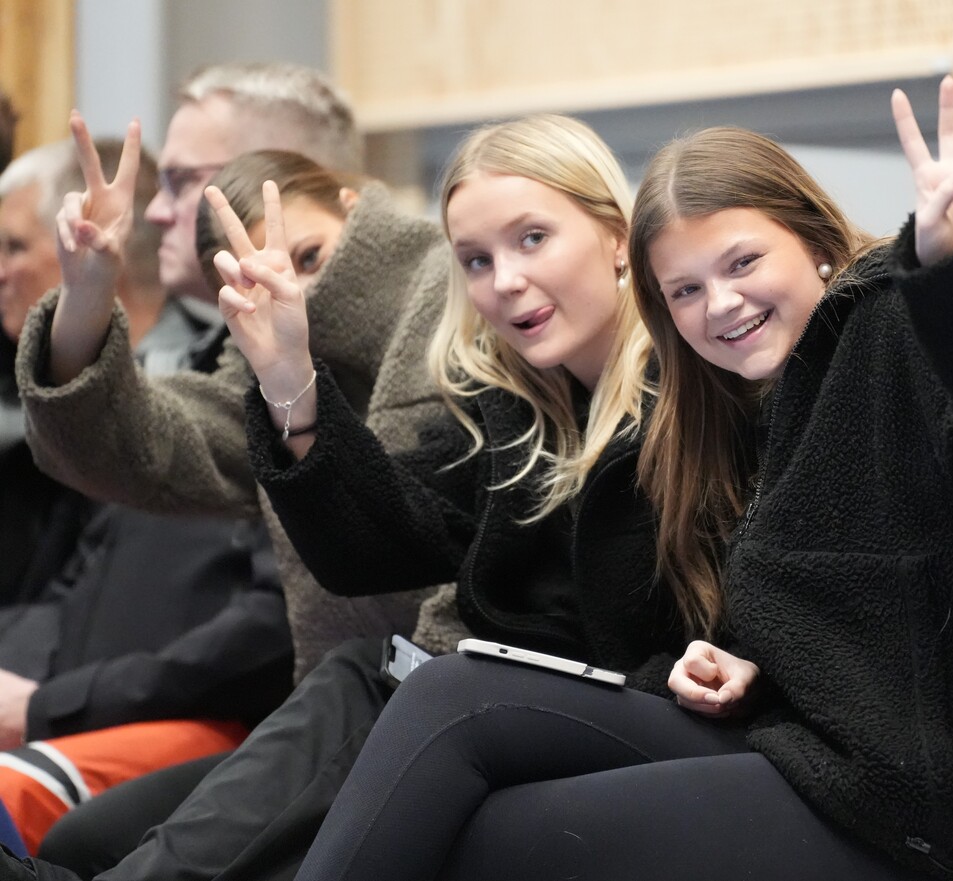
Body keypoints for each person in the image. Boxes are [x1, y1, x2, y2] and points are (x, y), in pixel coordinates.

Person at [281, 77, 953, 881]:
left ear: (814, 241)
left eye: (741, 263)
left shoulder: (897, 324)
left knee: (498, 833)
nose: (720, 304)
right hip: (827, 758)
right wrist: (739, 664)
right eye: (686, 291)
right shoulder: (745, 400)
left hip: (946, 815)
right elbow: (840, 617)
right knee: (454, 695)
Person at [0, 113, 681, 881]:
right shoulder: (516, 399)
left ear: (617, 234)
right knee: (371, 677)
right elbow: (378, 536)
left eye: (533, 239)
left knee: (417, 686)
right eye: (478, 259)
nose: (506, 279)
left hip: (580, 704)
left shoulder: (682, 387)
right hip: (450, 691)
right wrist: (284, 373)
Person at [13, 63, 448, 682]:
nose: (155, 211)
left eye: (182, 181)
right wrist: (84, 298)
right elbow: (141, 450)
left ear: (276, 169)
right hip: (352, 700)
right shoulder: (248, 352)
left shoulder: (448, 296)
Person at [0, 135, 293, 854]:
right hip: (90, 701)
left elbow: (269, 632)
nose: (161, 213)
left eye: (12, 247)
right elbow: (80, 587)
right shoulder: (180, 384)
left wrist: (50, 705)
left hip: (191, 722)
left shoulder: (255, 394)